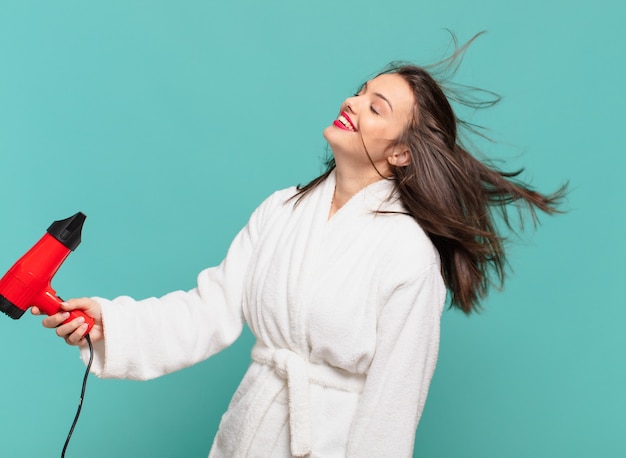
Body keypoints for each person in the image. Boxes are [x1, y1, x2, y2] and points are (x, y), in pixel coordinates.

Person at [34, 35, 565, 457]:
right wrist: (114, 325)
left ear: (403, 153)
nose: (352, 103)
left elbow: (392, 408)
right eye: (359, 91)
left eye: (375, 107)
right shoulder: (282, 209)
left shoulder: (407, 255)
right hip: (248, 435)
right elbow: (209, 310)